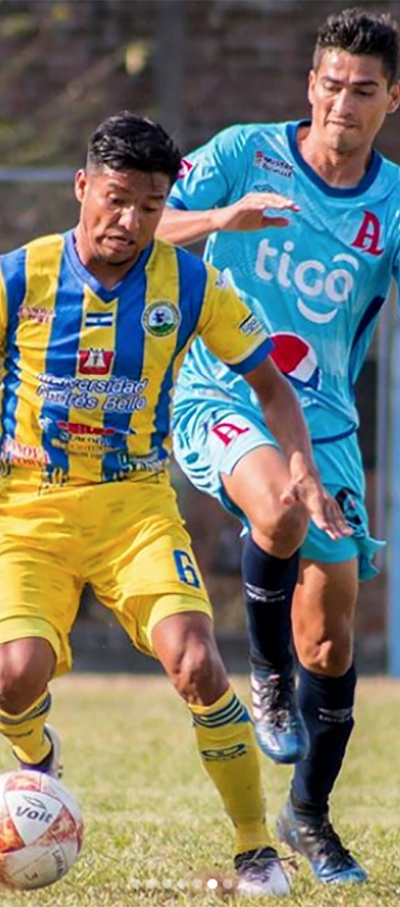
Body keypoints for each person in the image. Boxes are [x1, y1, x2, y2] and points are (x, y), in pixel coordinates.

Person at [0, 112, 349, 896]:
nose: (130, 221)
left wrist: (301, 465)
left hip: (135, 508)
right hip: (28, 512)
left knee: (196, 661)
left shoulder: (191, 285)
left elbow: (270, 383)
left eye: (150, 206)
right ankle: (36, 754)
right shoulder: (20, 277)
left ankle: (256, 848)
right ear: (82, 187)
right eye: (116, 199)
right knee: (12, 677)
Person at [157, 7, 400, 885]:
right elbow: (146, 225)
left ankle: (310, 815)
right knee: (281, 504)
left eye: (363, 90)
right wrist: (223, 218)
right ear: (310, 85)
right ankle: (264, 674)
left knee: (329, 641)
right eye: (331, 84)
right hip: (218, 389)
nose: (342, 103)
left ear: (392, 99)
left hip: (324, 418)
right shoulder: (242, 154)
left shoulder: (391, 203)